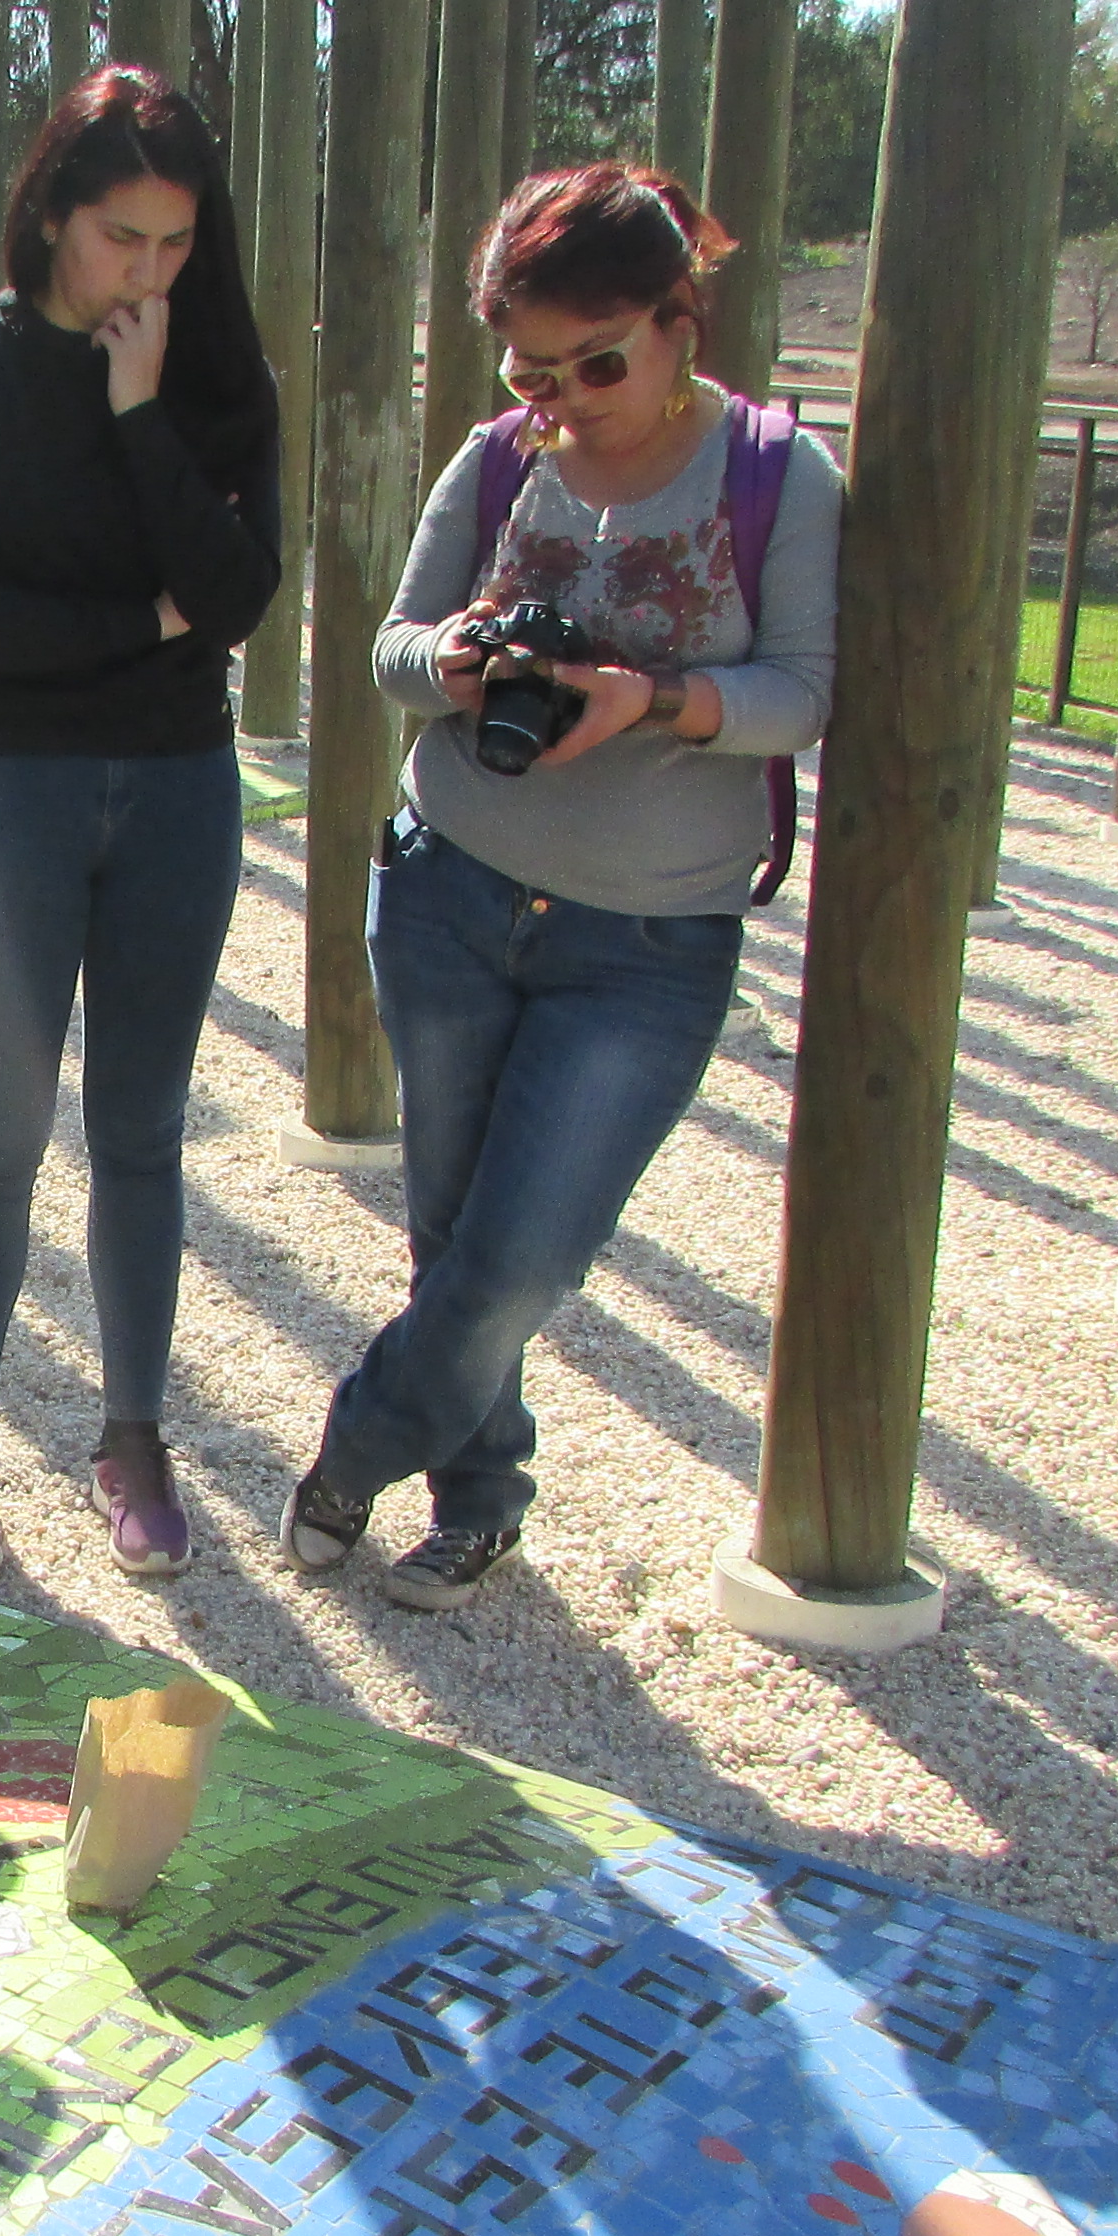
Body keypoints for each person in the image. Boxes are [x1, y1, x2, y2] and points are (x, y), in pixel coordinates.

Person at [281, 165, 841, 1610]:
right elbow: (390, 648)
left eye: (601, 363)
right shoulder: (498, 459)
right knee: (454, 1233)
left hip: (647, 940)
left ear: (680, 322)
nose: (568, 396)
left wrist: (650, 699)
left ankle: (362, 1440)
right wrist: (456, 659)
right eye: (534, 369)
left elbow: (801, 694)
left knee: (524, 1256)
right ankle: (482, 1498)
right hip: (451, 886)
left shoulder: (777, 472)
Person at [0, 66, 281, 1581]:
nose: (151, 272)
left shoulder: (211, 370)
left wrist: (138, 414)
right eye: (123, 236)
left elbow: (240, 599)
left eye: (177, 242)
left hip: (178, 788)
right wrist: (150, 614)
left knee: (142, 1132)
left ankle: (131, 1434)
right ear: (50, 211)